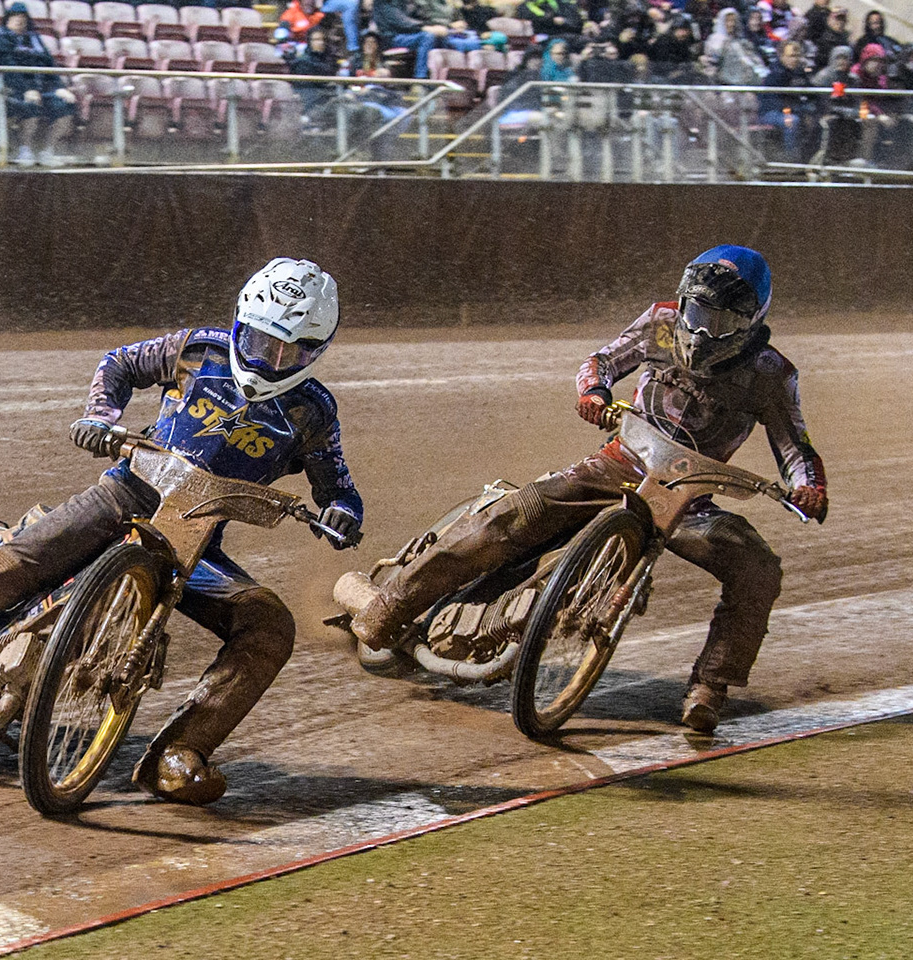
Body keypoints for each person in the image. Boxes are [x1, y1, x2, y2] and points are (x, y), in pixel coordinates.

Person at [0, 259, 366, 805]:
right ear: (242, 323)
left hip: (195, 545)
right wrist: (101, 416)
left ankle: (177, 756)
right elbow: (120, 363)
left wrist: (343, 513)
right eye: (262, 342)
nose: (272, 359)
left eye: (291, 350)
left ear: (316, 350)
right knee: (18, 561)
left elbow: (338, 486)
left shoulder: (313, 413)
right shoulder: (200, 347)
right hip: (123, 494)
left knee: (269, 625)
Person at [350, 246, 828, 734]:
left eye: (722, 321)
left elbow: (797, 447)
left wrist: (808, 489)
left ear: (750, 322)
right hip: (615, 463)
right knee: (511, 516)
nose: (704, 330)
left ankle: (711, 686)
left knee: (758, 570)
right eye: (698, 312)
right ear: (683, 302)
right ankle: (392, 607)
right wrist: (594, 393)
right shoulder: (662, 322)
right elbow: (601, 361)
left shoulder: (772, 374)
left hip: (690, 499)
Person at [0, 2, 77, 166]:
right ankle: (25, 150)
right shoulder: (1, 37)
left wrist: (60, 88)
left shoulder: (34, 39)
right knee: (31, 106)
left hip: (40, 90)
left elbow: (49, 65)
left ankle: (48, 151)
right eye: (15, 16)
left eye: (23, 17)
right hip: (12, 90)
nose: (19, 20)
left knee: (66, 105)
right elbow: (9, 68)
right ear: (7, 19)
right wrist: (27, 90)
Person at [760, 40, 816, 161]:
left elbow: (812, 94)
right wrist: (796, 110)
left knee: (816, 118)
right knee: (792, 121)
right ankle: (791, 158)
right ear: (782, 56)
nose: (794, 59)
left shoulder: (800, 73)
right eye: (791, 56)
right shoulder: (774, 74)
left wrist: (810, 110)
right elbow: (773, 101)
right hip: (771, 112)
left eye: (797, 56)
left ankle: (811, 158)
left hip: (794, 109)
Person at [371, 0, 448, 79]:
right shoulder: (384, 2)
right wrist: (424, 28)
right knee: (427, 37)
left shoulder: (406, 2)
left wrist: (437, 27)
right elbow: (400, 21)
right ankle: (420, 79)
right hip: (392, 38)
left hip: (410, 33)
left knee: (446, 39)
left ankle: (447, 78)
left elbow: (420, 16)